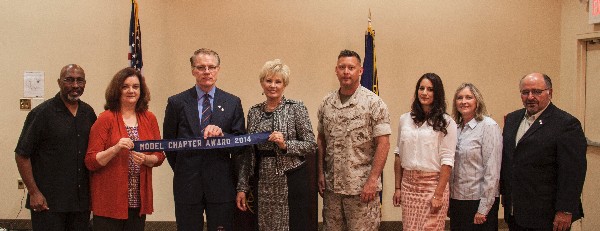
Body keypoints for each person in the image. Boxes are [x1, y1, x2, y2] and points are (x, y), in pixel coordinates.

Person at [163, 48, 249, 231]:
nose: (207, 72)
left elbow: (241, 144)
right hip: (187, 183)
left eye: (211, 67)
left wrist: (222, 136)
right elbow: (169, 145)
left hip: (221, 184)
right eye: (201, 67)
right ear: (193, 70)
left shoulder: (232, 102)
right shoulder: (177, 103)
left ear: (218, 69)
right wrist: (185, 169)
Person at [235, 59, 317, 230]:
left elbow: (310, 144)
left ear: (284, 84)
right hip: (262, 178)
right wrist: (242, 186)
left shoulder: (296, 108)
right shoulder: (254, 111)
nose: (273, 85)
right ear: (262, 83)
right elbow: (248, 152)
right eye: (268, 80)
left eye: (278, 81)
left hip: (290, 178)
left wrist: (285, 144)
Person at [14, 64, 97, 230]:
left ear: (85, 83)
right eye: (69, 80)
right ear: (59, 82)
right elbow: (22, 154)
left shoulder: (88, 113)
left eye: (79, 80)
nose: (75, 85)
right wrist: (34, 192)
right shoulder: (42, 114)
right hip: (48, 203)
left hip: (80, 204)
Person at [500, 73, 587, 231]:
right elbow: (509, 160)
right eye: (525, 92)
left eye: (537, 92)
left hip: (547, 215)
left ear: (550, 93)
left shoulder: (566, 124)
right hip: (516, 211)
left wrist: (566, 209)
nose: (530, 97)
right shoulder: (512, 119)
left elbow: (573, 172)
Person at [317, 49, 391, 230]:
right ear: (336, 70)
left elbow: (384, 144)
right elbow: (321, 139)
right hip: (332, 191)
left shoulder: (374, 103)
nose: (346, 72)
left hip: (361, 190)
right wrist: (320, 173)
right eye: (342, 67)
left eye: (351, 67)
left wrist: (372, 181)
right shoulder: (327, 103)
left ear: (361, 71)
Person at [85, 67, 165, 230]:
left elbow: (159, 154)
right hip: (109, 201)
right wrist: (115, 149)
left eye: (135, 87)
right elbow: (91, 162)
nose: (131, 91)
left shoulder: (149, 118)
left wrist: (147, 159)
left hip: (137, 200)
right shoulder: (105, 118)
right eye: (125, 86)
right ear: (117, 90)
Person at [392, 73, 457, 231]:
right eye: (421, 88)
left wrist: (438, 194)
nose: (425, 93)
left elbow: (447, 162)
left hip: (432, 186)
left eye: (430, 89)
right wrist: (398, 188)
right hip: (408, 186)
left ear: (437, 93)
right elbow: (399, 154)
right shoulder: (405, 119)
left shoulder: (447, 122)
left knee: (431, 228)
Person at [448, 83, 502, 230]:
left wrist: (483, 208)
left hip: (478, 200)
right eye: (459, 98)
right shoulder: (454, 127)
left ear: (477, 101)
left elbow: (492, 170)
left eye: (468, 97)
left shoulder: (488, 126)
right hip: (457, 199)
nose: (463, 101)